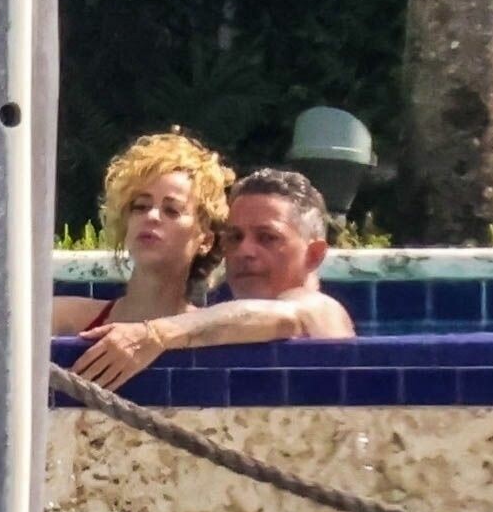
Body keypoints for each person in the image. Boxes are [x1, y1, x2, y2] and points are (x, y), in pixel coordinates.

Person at [73, 168, 355, 390]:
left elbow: (286, 317)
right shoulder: (223, 329)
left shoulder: (321, 309)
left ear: (314, 255)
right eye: (235, 237)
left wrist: (154, 335)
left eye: (267, 238)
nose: (244, 251)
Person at [52, 131, 233, 334]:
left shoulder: (215, 334)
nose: (151, 216)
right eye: (140, 206)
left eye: (171, 210)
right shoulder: (60, 319)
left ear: (206, 240)